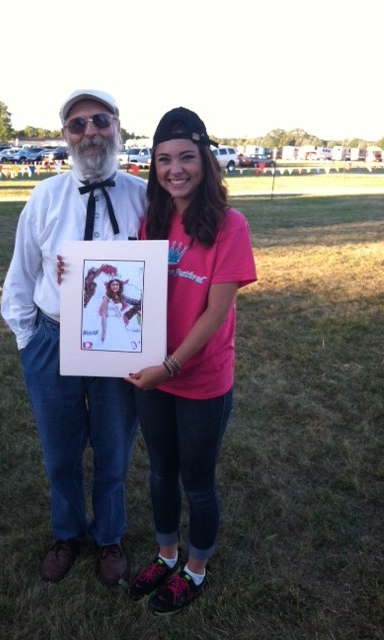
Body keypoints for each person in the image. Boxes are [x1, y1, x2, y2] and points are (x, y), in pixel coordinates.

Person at [1, 89, 147, 586]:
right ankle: (67, 533)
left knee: (113, 450)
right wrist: (28, 339)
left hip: (117, 347)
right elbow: (21, 274)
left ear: (116, 125)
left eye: (99, 121)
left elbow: (163, 270)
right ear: (66, 135)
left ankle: (109, 538)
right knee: (60, 452)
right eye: (77, 124)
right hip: (52, 342)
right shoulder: (44, 197)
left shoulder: (143, 195)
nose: (90, 132)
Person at [124, 107, 258, 614]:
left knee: (196, 483)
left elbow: (215, 314)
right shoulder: (151, 220)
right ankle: (165, 555)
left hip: (198, 378)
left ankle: (195, 570)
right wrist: (76, 273)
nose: (175, 169)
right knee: (160, 472)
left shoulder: (229, 224)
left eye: (186, 157)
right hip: (154, 374)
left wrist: (170, 366)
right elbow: (128, 288)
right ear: (153, 165)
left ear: (205, 160)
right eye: (163, 159)